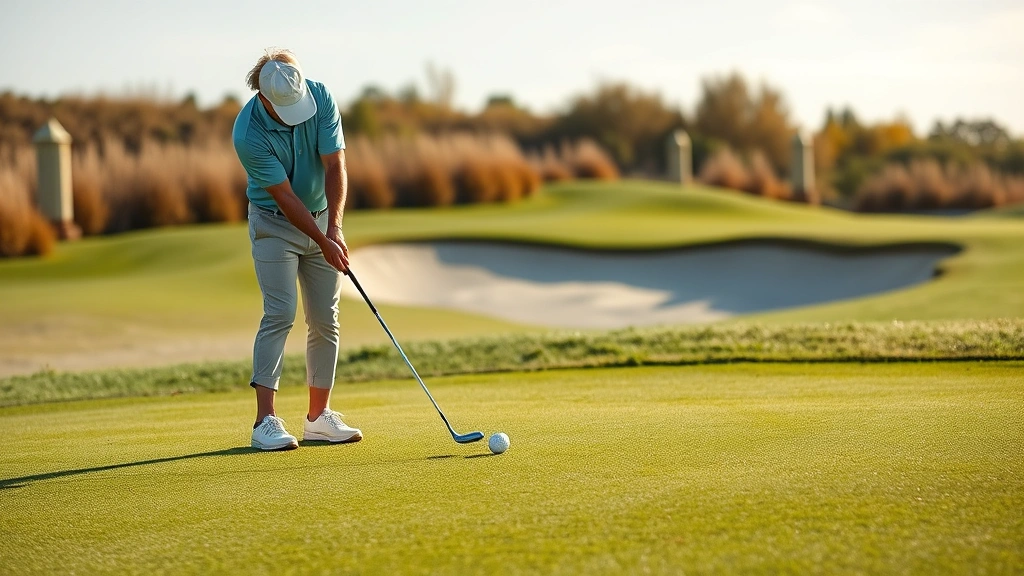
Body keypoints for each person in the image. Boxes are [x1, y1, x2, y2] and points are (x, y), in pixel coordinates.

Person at [232, 48, 361, 450]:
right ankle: (264, 422)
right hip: (274, 223)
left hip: (323, 216)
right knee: (280, 313)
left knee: (326, 317)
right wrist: (323, 241)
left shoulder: (320, 97)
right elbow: (286, 198)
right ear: (263, 97)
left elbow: (335, 164)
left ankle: (318, 418)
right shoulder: (248, 133)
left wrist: (333, 228)